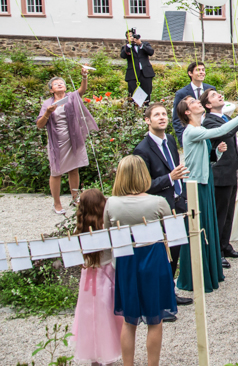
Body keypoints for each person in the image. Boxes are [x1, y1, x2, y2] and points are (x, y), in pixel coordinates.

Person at [176, 94, 238, 295]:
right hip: (195, 185)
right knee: (200, 228)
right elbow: (222, 130)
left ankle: (210, 268)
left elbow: (205, 160)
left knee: (209, 225)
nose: (197, 102)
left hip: (205, 181)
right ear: (187, 112)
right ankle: (195, 275)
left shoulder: (199, 129)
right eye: (193, 103)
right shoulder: (192, 131)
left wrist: (218, 153)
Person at [106, 156, 177, 366]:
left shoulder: (111, 203)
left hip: (126, 261)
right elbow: (171, 230)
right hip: (153, 259)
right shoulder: (158, 202)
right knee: (155, 320)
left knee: (129, 321)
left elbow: (107, 232)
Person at [132, 102, 191, 301]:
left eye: (164, 114)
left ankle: (169, 292)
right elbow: (142, 185)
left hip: (177, 202)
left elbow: (176, 169)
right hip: (159, 207)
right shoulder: (142, 150)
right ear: (147, 120)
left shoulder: (171, 140)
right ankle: (158, 296)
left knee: (175, 250)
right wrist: (169, 178)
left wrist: (182, 193)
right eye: (156, 115)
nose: (162, 117)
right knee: (161, 252)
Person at [72, 188, 123, 365]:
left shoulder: (79, 229)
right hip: (107, 275)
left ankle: (94, 355)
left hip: (88, 277)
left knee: (88, 316)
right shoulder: (107, 229)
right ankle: (109, 353)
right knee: (107, 315)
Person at [36, 67, 94, 214]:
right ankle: (57, 204)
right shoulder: (47, 104)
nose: (60, 84)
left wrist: (84, 76)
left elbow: (82, 90)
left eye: (61, 82)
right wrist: (47, 113)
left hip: (73, 139)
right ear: (51, 90)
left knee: (74, 169)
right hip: (57, 141)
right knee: (56, 172)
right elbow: (39, 125)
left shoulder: (70, 97)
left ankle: (75, 199)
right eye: (56, 84)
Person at [203, 90, 238, 261]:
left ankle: (225, 245)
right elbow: (226, 133)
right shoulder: (208, 121)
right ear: (207, 105)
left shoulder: (225, 117)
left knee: (229, 212)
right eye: (214, 96)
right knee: (220, 214)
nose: (219, 95)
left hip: (231, 170)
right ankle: (217, 252)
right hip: (220, 173)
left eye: (218, 93)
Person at [172, 61, 215, 144]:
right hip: (193, 135)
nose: (201, 72)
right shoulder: (181, 93)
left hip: (210, 133)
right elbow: (177, 119)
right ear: (190, 73)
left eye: (203, 70)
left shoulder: (210, 89)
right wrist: (183, 141)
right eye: (198, 70)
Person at [121, 29, 155, 100]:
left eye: (132, 36)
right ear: (127, 38)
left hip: (146, 74)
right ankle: (134, 106)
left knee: (147, 93)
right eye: (129, 36)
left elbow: (151, 52)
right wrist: (129, 44)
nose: (132, 38)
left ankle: (146, 106)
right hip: (133, 75)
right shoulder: (126, 47)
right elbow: (123, 55)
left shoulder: (145, 44)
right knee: (133, 94)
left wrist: (140, 44)